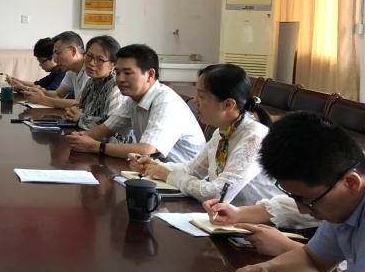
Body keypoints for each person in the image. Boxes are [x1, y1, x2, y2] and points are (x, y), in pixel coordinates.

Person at [220, 113, 365, 272]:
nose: (302, 210)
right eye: (295, 198)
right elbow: (314, 262)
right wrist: (267, 270)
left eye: (309, 200)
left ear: (351, 182)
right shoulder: (344, 207)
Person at [129, 63, 282, 209]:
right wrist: (154, 165)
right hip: (228, 216)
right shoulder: (223, 131)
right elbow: (192, 170)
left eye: (201, 96)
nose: (195, 101)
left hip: (262, 222)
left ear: (228, 104)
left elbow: (218, 194)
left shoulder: (254, 137)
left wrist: (169, 175)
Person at [64, 43, 205, 162]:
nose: (120, 79)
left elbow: (146, 150)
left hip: (183, 179)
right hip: (156, 172)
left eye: (127, 73)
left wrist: (95, 146)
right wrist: (80, 138)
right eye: (118, 73)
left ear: (150, 75)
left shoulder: (166, 102)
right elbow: (105, 129)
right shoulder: (133, 98)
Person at [10, 31, 85, 109]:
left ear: (73, 51)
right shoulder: (71, 71)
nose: (55, 59)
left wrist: (42, 100)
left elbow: (80, 104)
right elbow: (58, 95)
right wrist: (37, 91)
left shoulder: (89, 70)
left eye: (57, 53)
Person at [63, 35, 121, 130]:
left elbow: (113, 126)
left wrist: (81, 118)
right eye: (89, 56)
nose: (91, 63)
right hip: (87, 135)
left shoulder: (117, 87)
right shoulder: (91, 82)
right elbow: (80, 109)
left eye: (100, 59)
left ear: (113, 65)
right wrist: (72, 112)